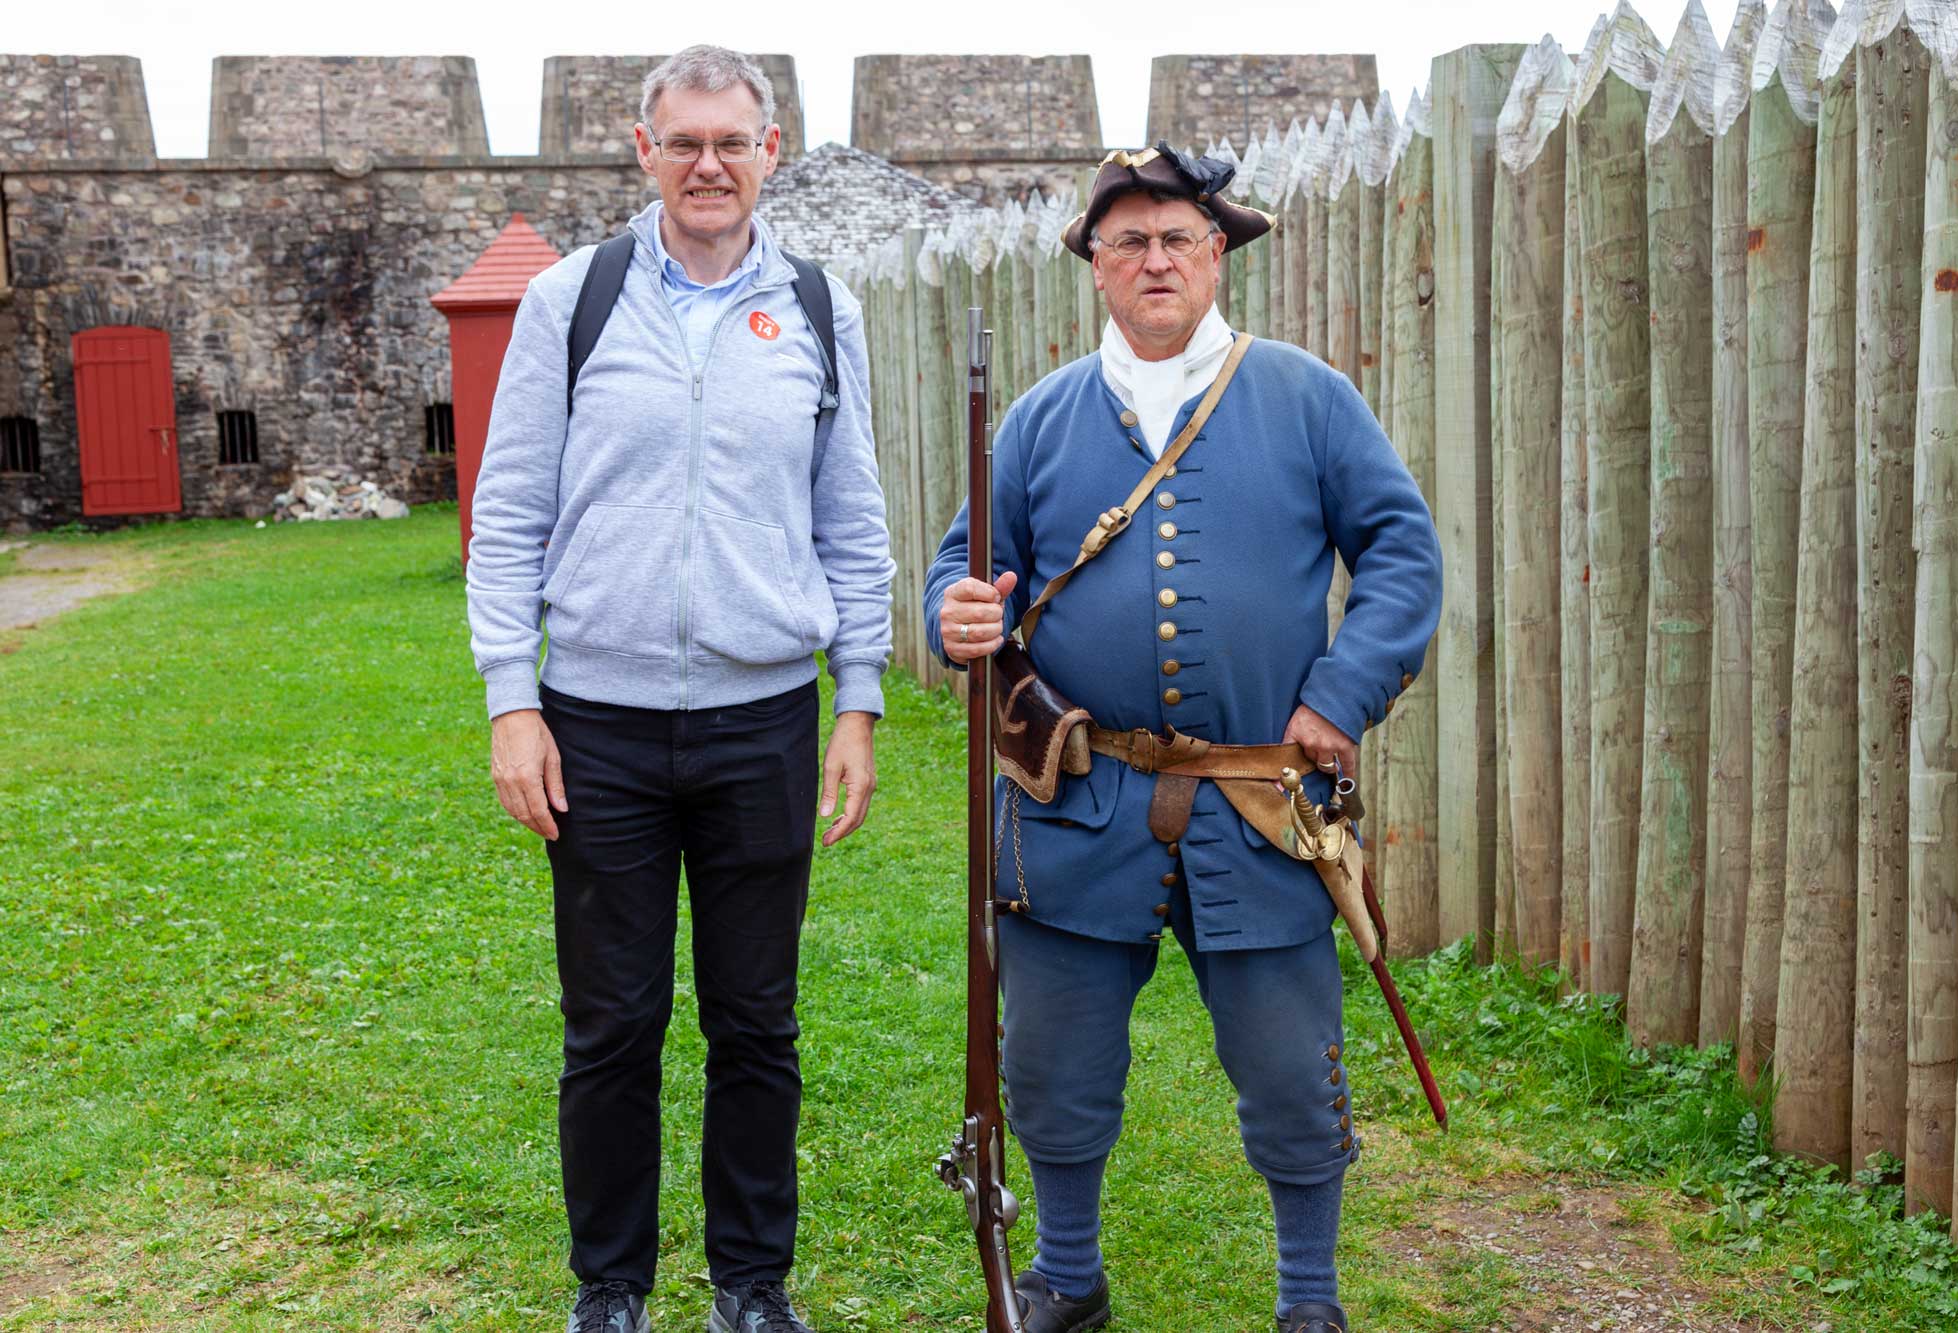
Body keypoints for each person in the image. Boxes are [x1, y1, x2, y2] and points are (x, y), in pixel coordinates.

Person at [923, 144, 1442, 1333]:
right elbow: (964, 565)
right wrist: (955, 611)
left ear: (1215, 257)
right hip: (1076, 800)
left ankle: (1307, 1297)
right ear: (1094, 269)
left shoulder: (1306, 397)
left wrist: (1339, 693)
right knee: (1052, 1064)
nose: (1153, 260)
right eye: (1128, 243)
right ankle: (1064, 1274)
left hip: (1257, 803)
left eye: (1175, 240)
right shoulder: (1044, 418)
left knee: (1286, 1066)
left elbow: (1401, 551)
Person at [465, 44, 893, 1333]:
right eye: (684, 141)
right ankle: (612, 1289)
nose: (710, 165)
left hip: (763, 720)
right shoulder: (571, 301)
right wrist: (510, 696)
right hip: (595, 722)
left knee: (757, 1025)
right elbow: (510, 509)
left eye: (734, 142)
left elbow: (850, 514)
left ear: (771, 151)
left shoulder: (821, 309)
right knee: (612, 1026)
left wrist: (857, 697)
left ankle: (752, 1287)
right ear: (641, 148)